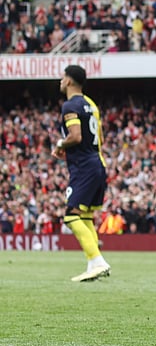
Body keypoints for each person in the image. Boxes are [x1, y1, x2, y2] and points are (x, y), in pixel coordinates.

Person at [51, 65, 112, 282]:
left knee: (71, 215)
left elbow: (75, 136)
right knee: (85, 215)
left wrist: (60, 144)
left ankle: (97, 261)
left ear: (68, 81)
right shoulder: (91, 104)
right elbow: (101, 138)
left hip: (84, 167)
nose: (60, 81)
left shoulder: (70, 105)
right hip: (97, 162)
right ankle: (93, 264)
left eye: (62, 77)